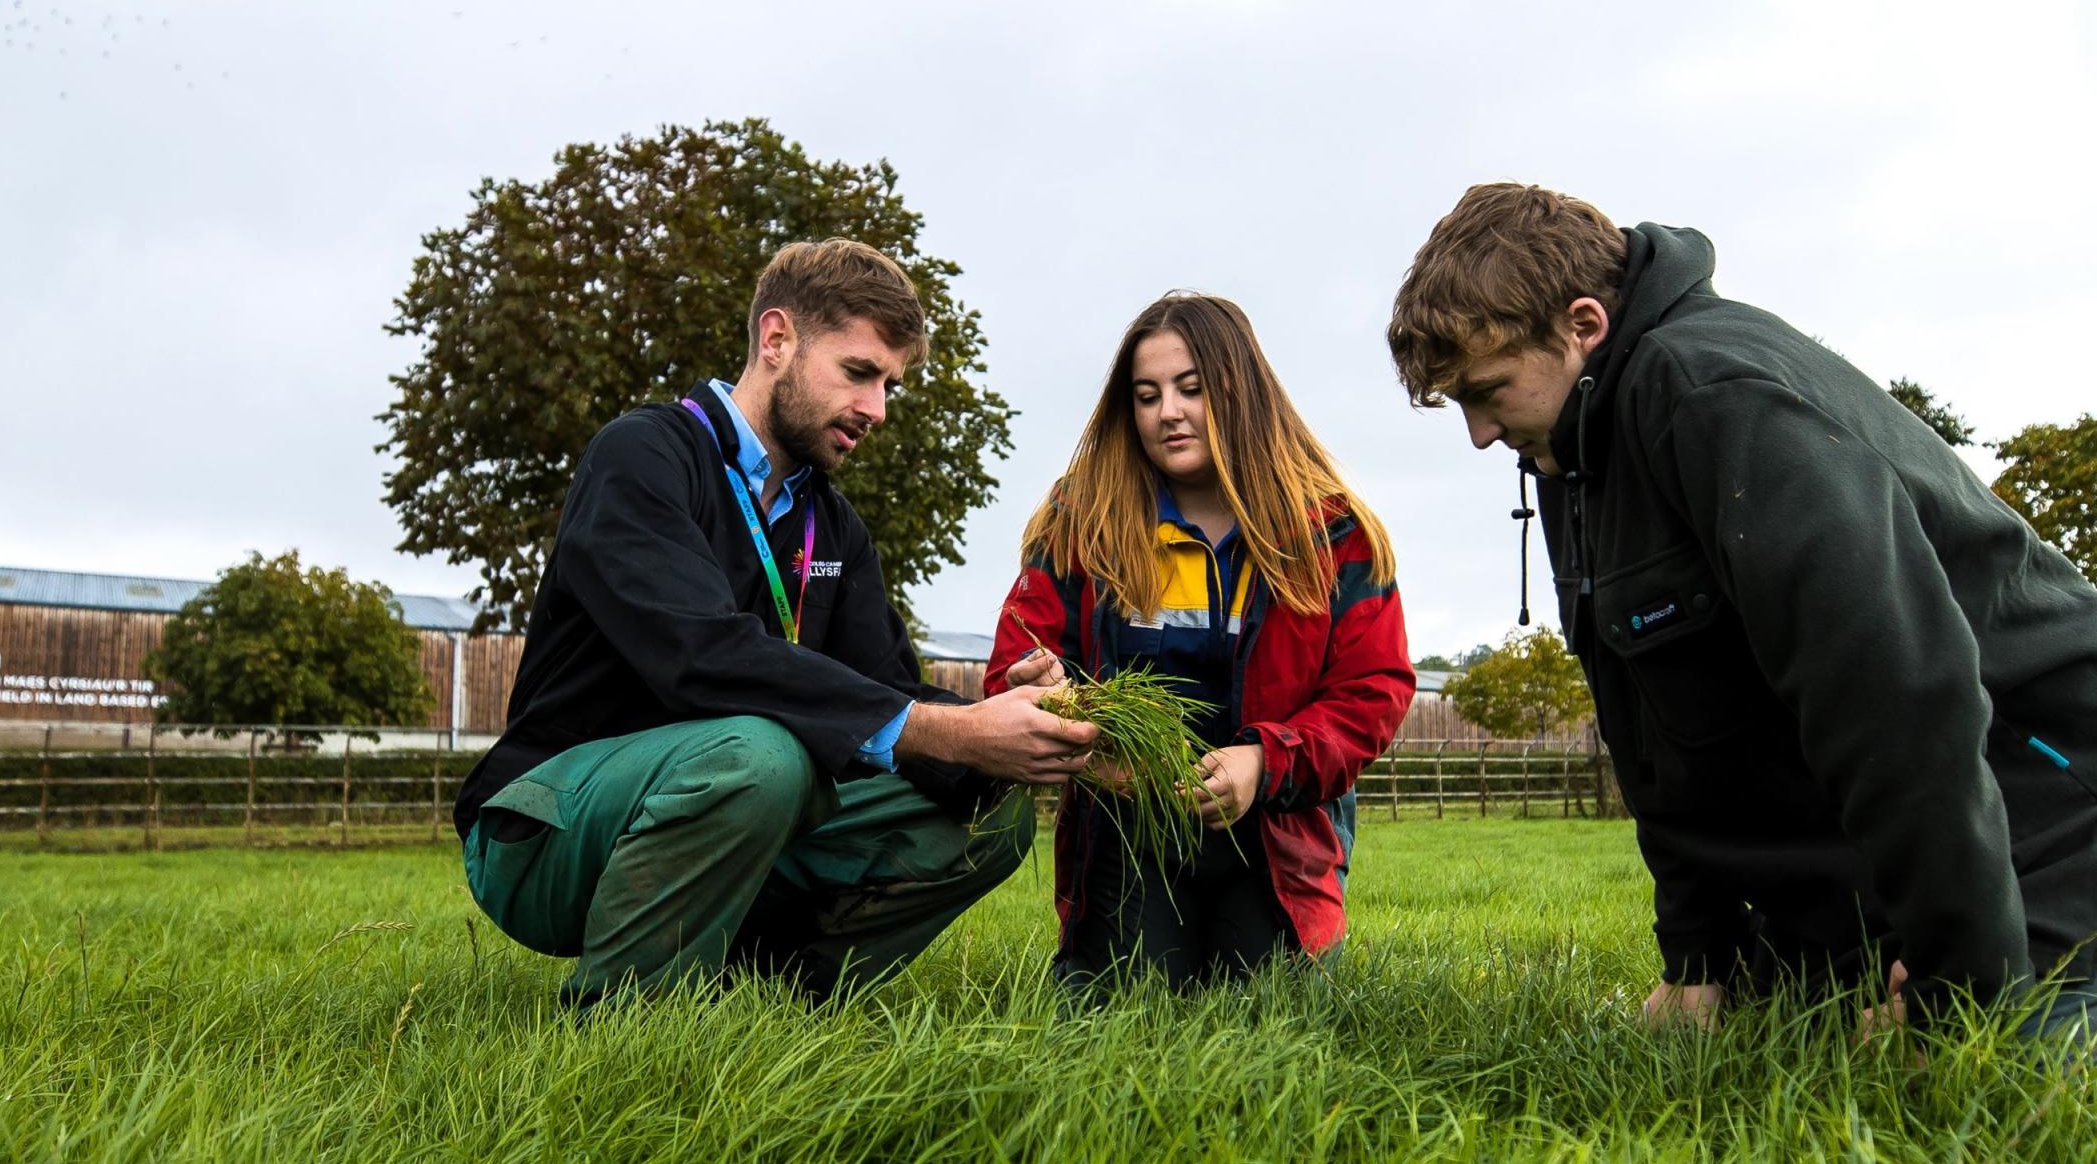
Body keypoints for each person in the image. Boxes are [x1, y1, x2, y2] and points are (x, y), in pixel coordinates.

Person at [1387, 183, 2097, 1044]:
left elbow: (1896, 695)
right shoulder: (1572, 456)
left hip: (2053, 820)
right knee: (1781, 1040)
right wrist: (1699, 957)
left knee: (2011, 1077)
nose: (1478, 435)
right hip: (1876, 868)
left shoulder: (1715, 394)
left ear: (1583, 326)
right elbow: (1651, 728)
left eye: (1487, 391)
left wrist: (1959, 984)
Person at [451, 239, 1097, 1007]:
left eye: (892, 384)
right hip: (548, 825)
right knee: (764, 754)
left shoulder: (833, 526)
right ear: (777, 340)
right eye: (859, 373)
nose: (878, 409)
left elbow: (885, 690)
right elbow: (703, 655)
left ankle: (767, 1003)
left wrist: (1016, 730)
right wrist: (950, 730)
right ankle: (624, 1023)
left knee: (991, 813)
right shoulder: (644, 455)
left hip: (740, 803)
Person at [986, 293, 1413, 989]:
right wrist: (1063, 715)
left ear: (1241, 390)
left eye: (1192, 389)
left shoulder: (1332, 531)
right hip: (1128, 824)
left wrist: (1261, 763)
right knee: (1120, 1001)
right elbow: (1016, 661)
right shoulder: (1081, 519)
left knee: (1266, 1014)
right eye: (1147, 395)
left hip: (1278, 830)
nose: (1167, 413)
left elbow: (1374, 693)